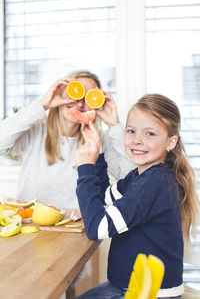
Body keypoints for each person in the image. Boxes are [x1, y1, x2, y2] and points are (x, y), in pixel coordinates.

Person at [74, 94, 199, 299]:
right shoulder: (142, 175)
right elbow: (106, 196)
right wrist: (97, 156)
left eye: (150, 133)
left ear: (171, 142)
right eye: (131, 131)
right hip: (129, 287)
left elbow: (97, 228)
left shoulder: (154, 183)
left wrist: (85, 168)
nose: (137, 140)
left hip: (149, 293)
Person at [0, 70, 133, 209]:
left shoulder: (99, 140)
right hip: (31, 222)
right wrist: (42, 105)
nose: (80, 103)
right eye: (76, 93)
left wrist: (115, 125)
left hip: (76, 225)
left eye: (88, 97)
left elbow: (130, 178)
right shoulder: (35, 129)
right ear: (63, 93)